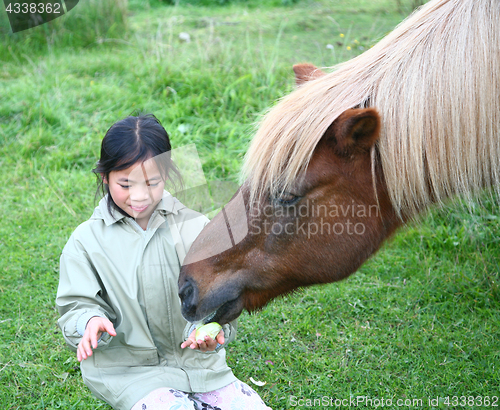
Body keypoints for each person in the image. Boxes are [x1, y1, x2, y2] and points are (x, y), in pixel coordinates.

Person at [56, 114, 271, 410]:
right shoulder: (85, 243)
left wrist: (213, 328)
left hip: (201, 368)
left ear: (167, 176)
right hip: (130, 373)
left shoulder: (196, 227)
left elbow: (222, 295)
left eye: (152, 182)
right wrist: (89, 321)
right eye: (125, 184)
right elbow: (74, 306)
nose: (140, 196)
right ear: (105, 177)